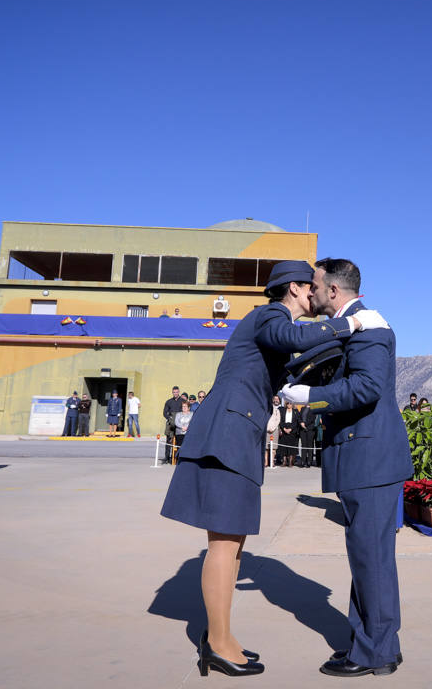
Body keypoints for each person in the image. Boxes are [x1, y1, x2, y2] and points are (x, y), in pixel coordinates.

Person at [159, 259, 385, 677]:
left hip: (237, 434)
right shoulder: (271, 314)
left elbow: (307, 353)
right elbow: (290, 336)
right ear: (296, 288)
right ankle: (218, 644)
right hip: (228, 433)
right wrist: (350, 327)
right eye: (311, 286)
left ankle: (222, 638)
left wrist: (366, 333)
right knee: (225, 542)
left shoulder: (276, 326)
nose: (317, 294)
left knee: (234, 541)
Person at [279, 257, 412, 677]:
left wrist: (310, 397)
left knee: (370, 558)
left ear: (333, 290)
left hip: (370, 459)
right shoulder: (353, 323)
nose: (311, 292)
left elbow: (368, 387)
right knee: (368, 558)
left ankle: (376, 652)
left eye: (315, 286)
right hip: (364, 458)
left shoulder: (368, 326)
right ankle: (372, 642)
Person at [162, 386, 184, 463]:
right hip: (170, 424)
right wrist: (170, 418)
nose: (175, 393)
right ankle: (167, 458)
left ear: (179, 392)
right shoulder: (168, 402)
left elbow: (185, 411)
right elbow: (164, 413)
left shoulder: (183, 401)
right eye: (174, 392)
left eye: (177, 392)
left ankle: (177, 458)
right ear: (172, 392)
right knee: (169, 441)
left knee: (179, 441)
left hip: (179, 424)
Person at [277, 402, 301, 467]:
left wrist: (290, 429)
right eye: (288, 404)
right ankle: (284, 461)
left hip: (292, 430)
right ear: (286, 404)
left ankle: (290, 462)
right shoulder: (283, 411)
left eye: (290, 404)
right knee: (283, 446)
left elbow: (296, 421)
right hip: (284, 428)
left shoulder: (296, 411)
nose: (289, 405)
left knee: (291, 447)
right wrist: (284, 428)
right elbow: (280, 420)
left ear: (292, 405)